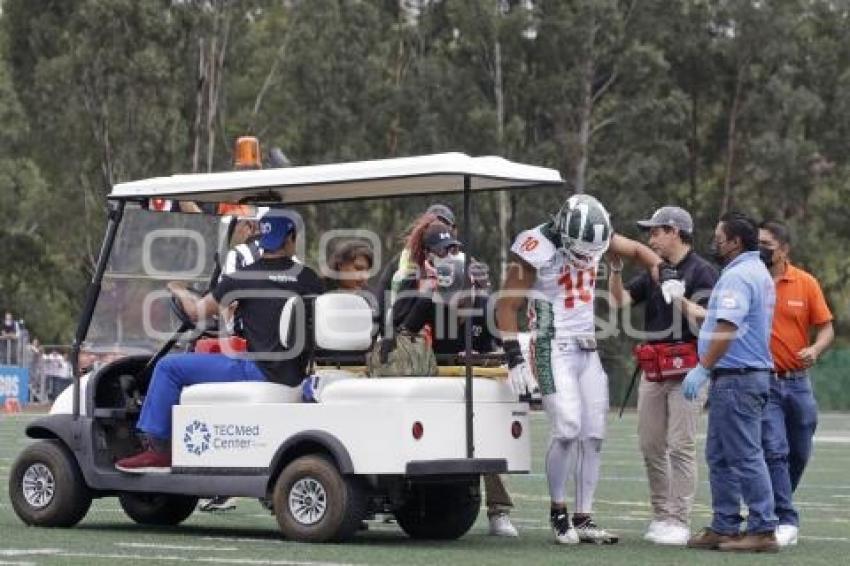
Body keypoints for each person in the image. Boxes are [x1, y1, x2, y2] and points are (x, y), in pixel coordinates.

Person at [496, 193, 662, 545]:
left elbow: (637, 251)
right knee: (568, 428)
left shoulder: (595, 235)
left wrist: (665, 271)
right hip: (548, 346)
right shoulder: (535, 246)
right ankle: (558, 512)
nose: (589, 259)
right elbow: (507, 306)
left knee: (594, 435)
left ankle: (583, 518)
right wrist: (513, 356)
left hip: (586, 346)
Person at [116, 210, 324, 473]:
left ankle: (157, 450)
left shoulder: (242, 278)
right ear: (290, 238)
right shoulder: (310, 279)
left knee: (169, 367)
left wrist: (179, 290)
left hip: (258, 370)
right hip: (295, 373)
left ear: (261, 238)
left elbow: (195, 313)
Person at [608, 206, 718, 545]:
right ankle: (660, 515)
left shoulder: (703, 271)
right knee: (650, 444)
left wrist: (680, 298)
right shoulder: (656, 271)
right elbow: (620, 302)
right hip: (654, 369)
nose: (650, 238)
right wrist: (614, 271)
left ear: (675, 231)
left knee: (680, 445)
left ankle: (678, 519)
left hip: (689, 369)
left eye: (655, 232)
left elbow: (713, 318)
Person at [682, 211, 778, 553]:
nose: (715, 242)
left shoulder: (739, 276)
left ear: (735, 242)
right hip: (738, 378)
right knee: (721, 456)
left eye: (720, 237)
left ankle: (763, 529)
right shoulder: (754, 271)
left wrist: (703, 367)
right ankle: (725, 525)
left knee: (746, 455)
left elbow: (728, 328)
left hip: (737, 378)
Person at [758, 221, 834, 547]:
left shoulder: (805, 283)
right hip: (765, 383)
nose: (760, 249)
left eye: (766, 244)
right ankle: (784, 518)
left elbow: (826, 328)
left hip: (798, 382)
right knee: (775, 450)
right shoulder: (751, 281)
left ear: (784, 249)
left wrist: (815, 349)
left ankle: (774, 506)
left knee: (799, 452)